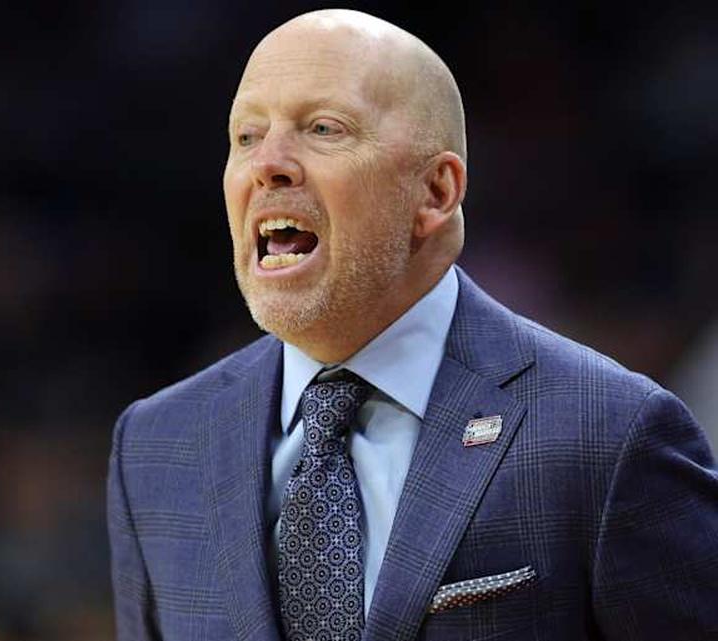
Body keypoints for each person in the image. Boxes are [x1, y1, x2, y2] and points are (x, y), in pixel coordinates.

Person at [106, 9, 718, 641]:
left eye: (323, 128)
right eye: (246, 136)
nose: (270, 164)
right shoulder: (156, 447)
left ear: (436, 191)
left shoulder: (606, 433)